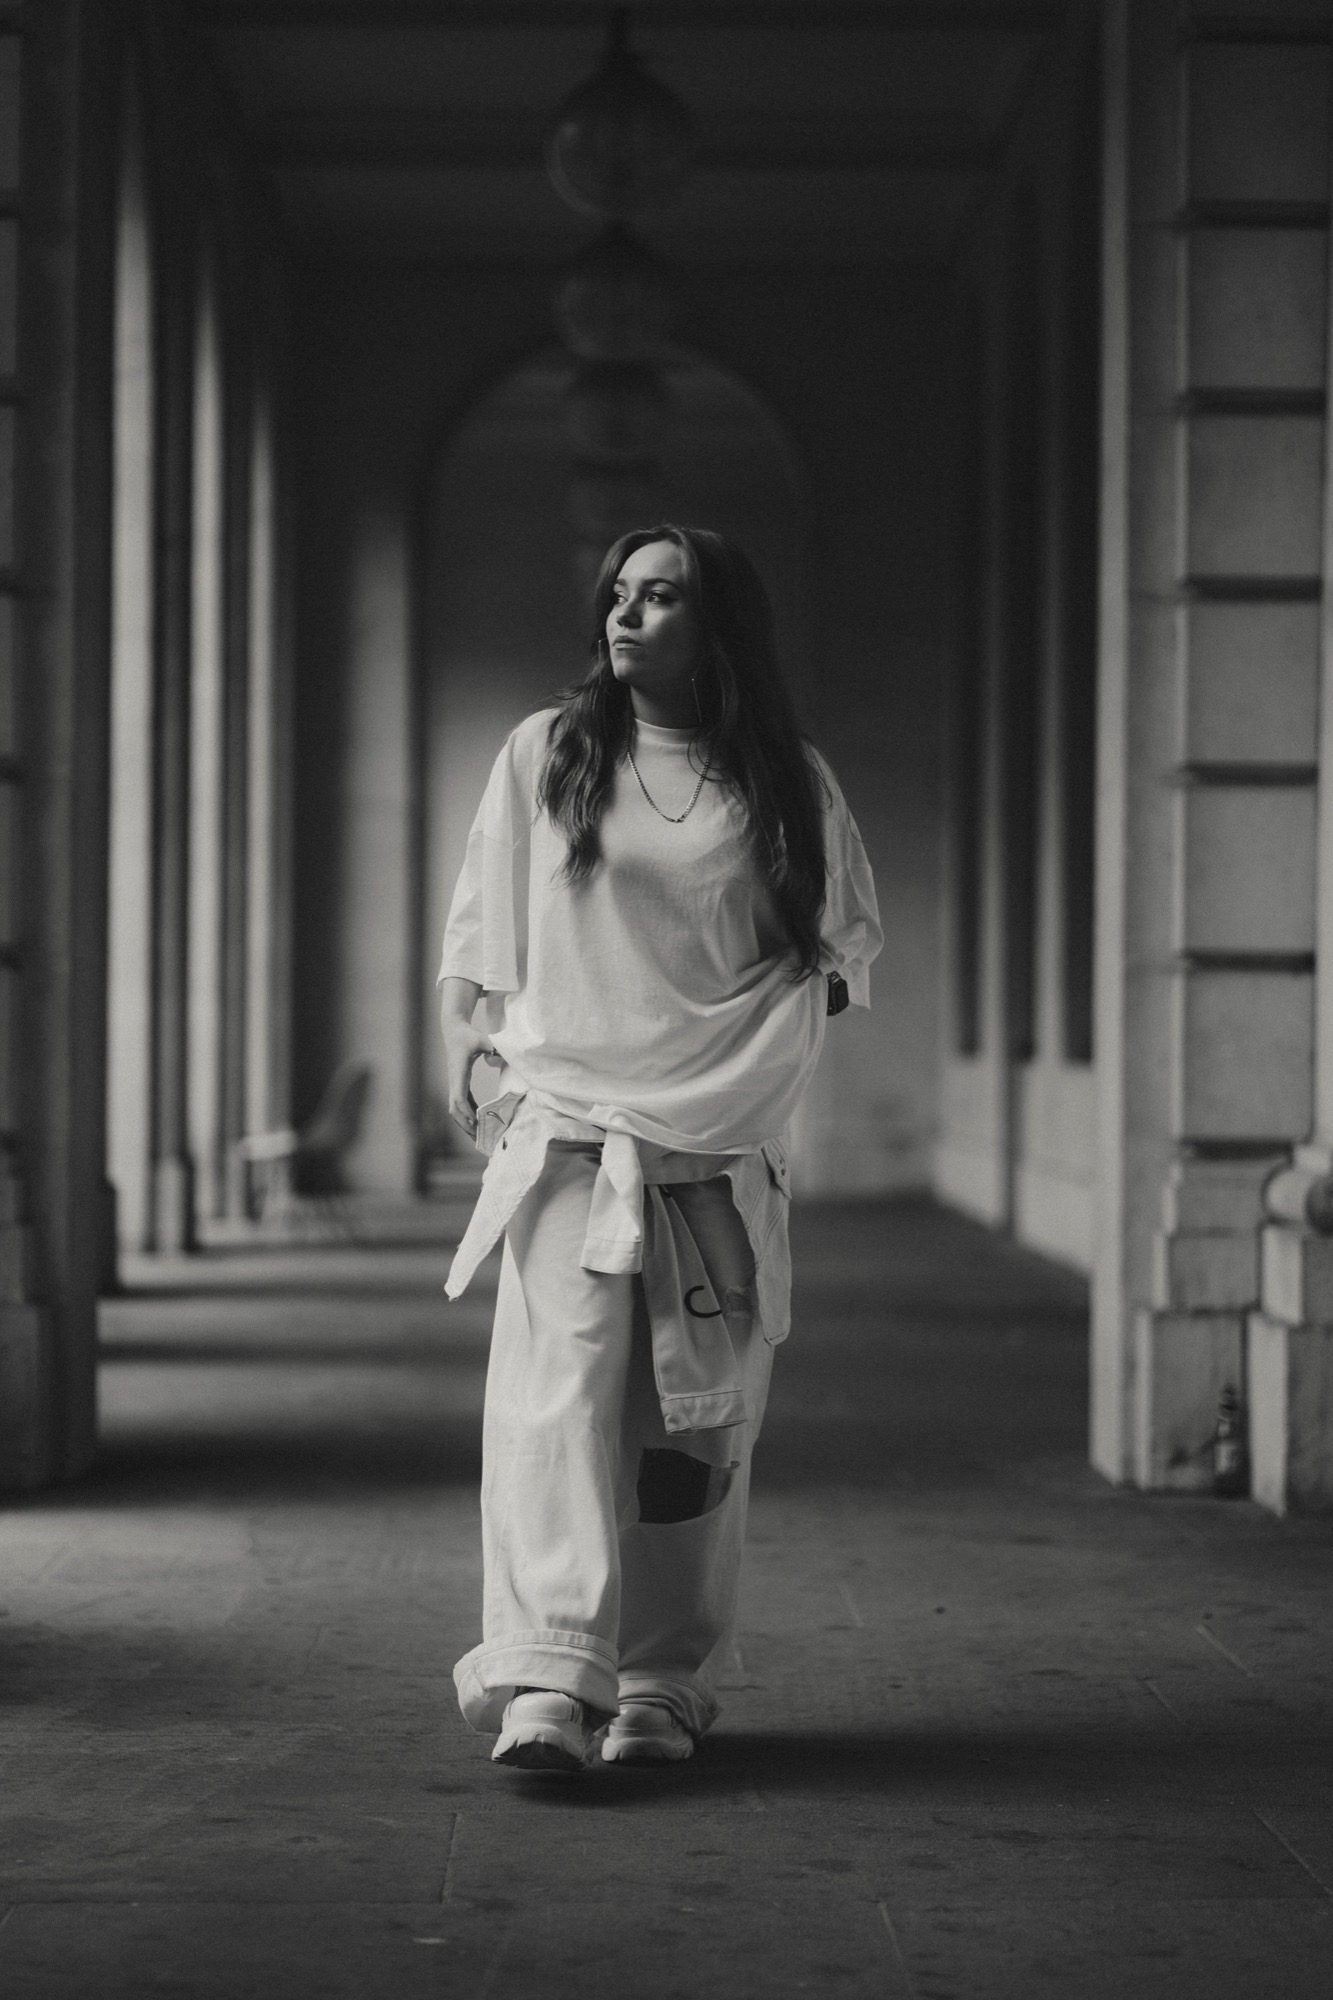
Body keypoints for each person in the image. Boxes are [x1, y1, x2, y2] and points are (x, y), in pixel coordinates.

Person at [438, 523, 881, 1773]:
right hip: (569, 1139)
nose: (627, 615)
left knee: (692, 1430)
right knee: (554, 1408)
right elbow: (479, 932)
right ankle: (547, 1673)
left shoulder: (785, 778)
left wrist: (728, 1063)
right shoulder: (548, 752)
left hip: (716, 1158)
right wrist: (477, 1048)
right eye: (618, 595)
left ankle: (660, 1680)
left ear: (718, 621)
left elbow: (840, 952)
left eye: (662, 596)